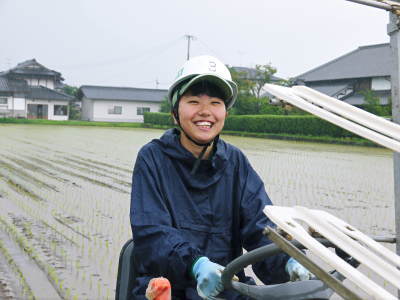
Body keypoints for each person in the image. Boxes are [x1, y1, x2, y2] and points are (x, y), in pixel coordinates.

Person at [130, 55, 311, 299]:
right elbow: (153, 233)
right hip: (168, 288)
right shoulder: (152, 158)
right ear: (175, 111)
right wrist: (196, 264)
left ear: (225, 111)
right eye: (193, 101)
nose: (205, 112)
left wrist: (289, 260)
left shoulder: (235, 162)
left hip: (228, 286)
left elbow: (261, 227)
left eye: (215, 102)